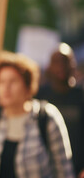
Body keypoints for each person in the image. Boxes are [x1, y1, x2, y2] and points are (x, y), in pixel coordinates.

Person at [36, 43, 84, 177]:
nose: (61, 67)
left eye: (65, 61)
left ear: (73, 65)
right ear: (49, 67)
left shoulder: (81, 96)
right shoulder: (39, 96)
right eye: (56, 62)